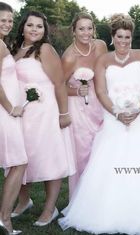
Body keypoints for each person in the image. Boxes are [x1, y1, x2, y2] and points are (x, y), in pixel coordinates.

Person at [58, 13, 140, 235]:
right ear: (112, 38)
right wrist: (116, 112)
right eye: (120, 37)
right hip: (113, 118)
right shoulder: (103, 60)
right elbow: (101, 91)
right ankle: (106, 213)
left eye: (128, 37)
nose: (124, 41)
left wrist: (137, 110)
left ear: (131, 37)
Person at [10, 11, 76, 226]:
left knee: (49, 159)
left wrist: (64, 114)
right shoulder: (14, 49)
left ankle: (50, 209)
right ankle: (23, 201)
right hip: (20, 113)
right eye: (30, 25)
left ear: (44, 30)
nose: (35, 29)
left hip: (44, 113)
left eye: (39, 26)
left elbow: (59, 83)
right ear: (23, 27)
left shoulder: (45, 50)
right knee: (19, 159)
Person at [62, 12, 107, 198]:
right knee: (82, 153)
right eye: (81, 28)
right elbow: (57, 86)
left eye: (89, 28)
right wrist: (75, 91)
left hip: (101, 104)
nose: (86, 32)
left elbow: (107, 71)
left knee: (102, 149)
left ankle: (102, 194)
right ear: (74, 31)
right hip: (79, 109)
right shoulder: (69, 57)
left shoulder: (101, 46)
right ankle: (82, 198)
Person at [0, 2, 27, 234]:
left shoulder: (2, 43)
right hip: (5, 113)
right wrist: (10, 108)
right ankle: (5, 218)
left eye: (10, 20)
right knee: (18, 162)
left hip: (7, 113)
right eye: (2, 20)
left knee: (16, 163)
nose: (8, 24)